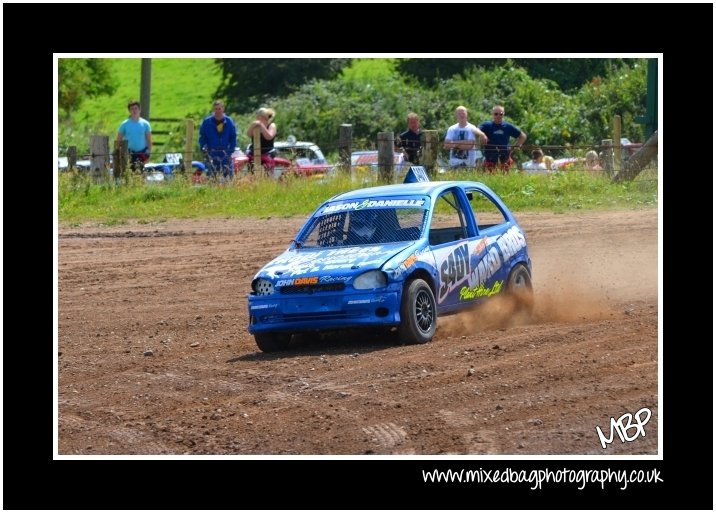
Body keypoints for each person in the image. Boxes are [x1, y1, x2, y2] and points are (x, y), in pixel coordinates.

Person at [478, 105, 527, 173]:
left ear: (503, 114)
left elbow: (523, 136)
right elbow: (476, 130)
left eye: (501, 114)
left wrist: (514, 147)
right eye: (496, 114)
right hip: (489, 158)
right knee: (488, 177)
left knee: (505, 178)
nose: (498, 116)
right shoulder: (487, 125)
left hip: (505, 158)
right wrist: (482, 135)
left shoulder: (508, 126)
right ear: (492, 114)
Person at [199, 100, 237, 178]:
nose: (218, 111)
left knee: (229, 176)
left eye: (219, 108)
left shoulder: (229, 121)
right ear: (213, 109)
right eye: (216, 109)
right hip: (211, 152)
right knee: (211, 176)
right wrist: (203, 148)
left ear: (223, 109)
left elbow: (233, 137)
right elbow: (202, 137)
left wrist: (231, 150)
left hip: (226, 152)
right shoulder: (207, 122)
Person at [117, 100, 152, 171]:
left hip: (142, 153)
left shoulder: (146, 124)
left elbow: (149, 140)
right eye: (132, 109)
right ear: (129, 111)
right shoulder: (124, 124)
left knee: (141, 173)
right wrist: (119, 154)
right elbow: (118, 141)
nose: (134, 110)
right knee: (130, 173)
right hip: (129, 153)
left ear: (139, 110)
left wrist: (149, 154)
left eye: (136, 108)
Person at [246, 107, 277, 174]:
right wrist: (252, 126)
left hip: (267, 153)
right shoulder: (255, 125)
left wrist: (261, 125)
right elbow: (248, 134)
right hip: (254, 154)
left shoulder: (272, 125)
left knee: (267, 174)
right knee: (252, 173)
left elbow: (269, 137)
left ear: (262, 117)